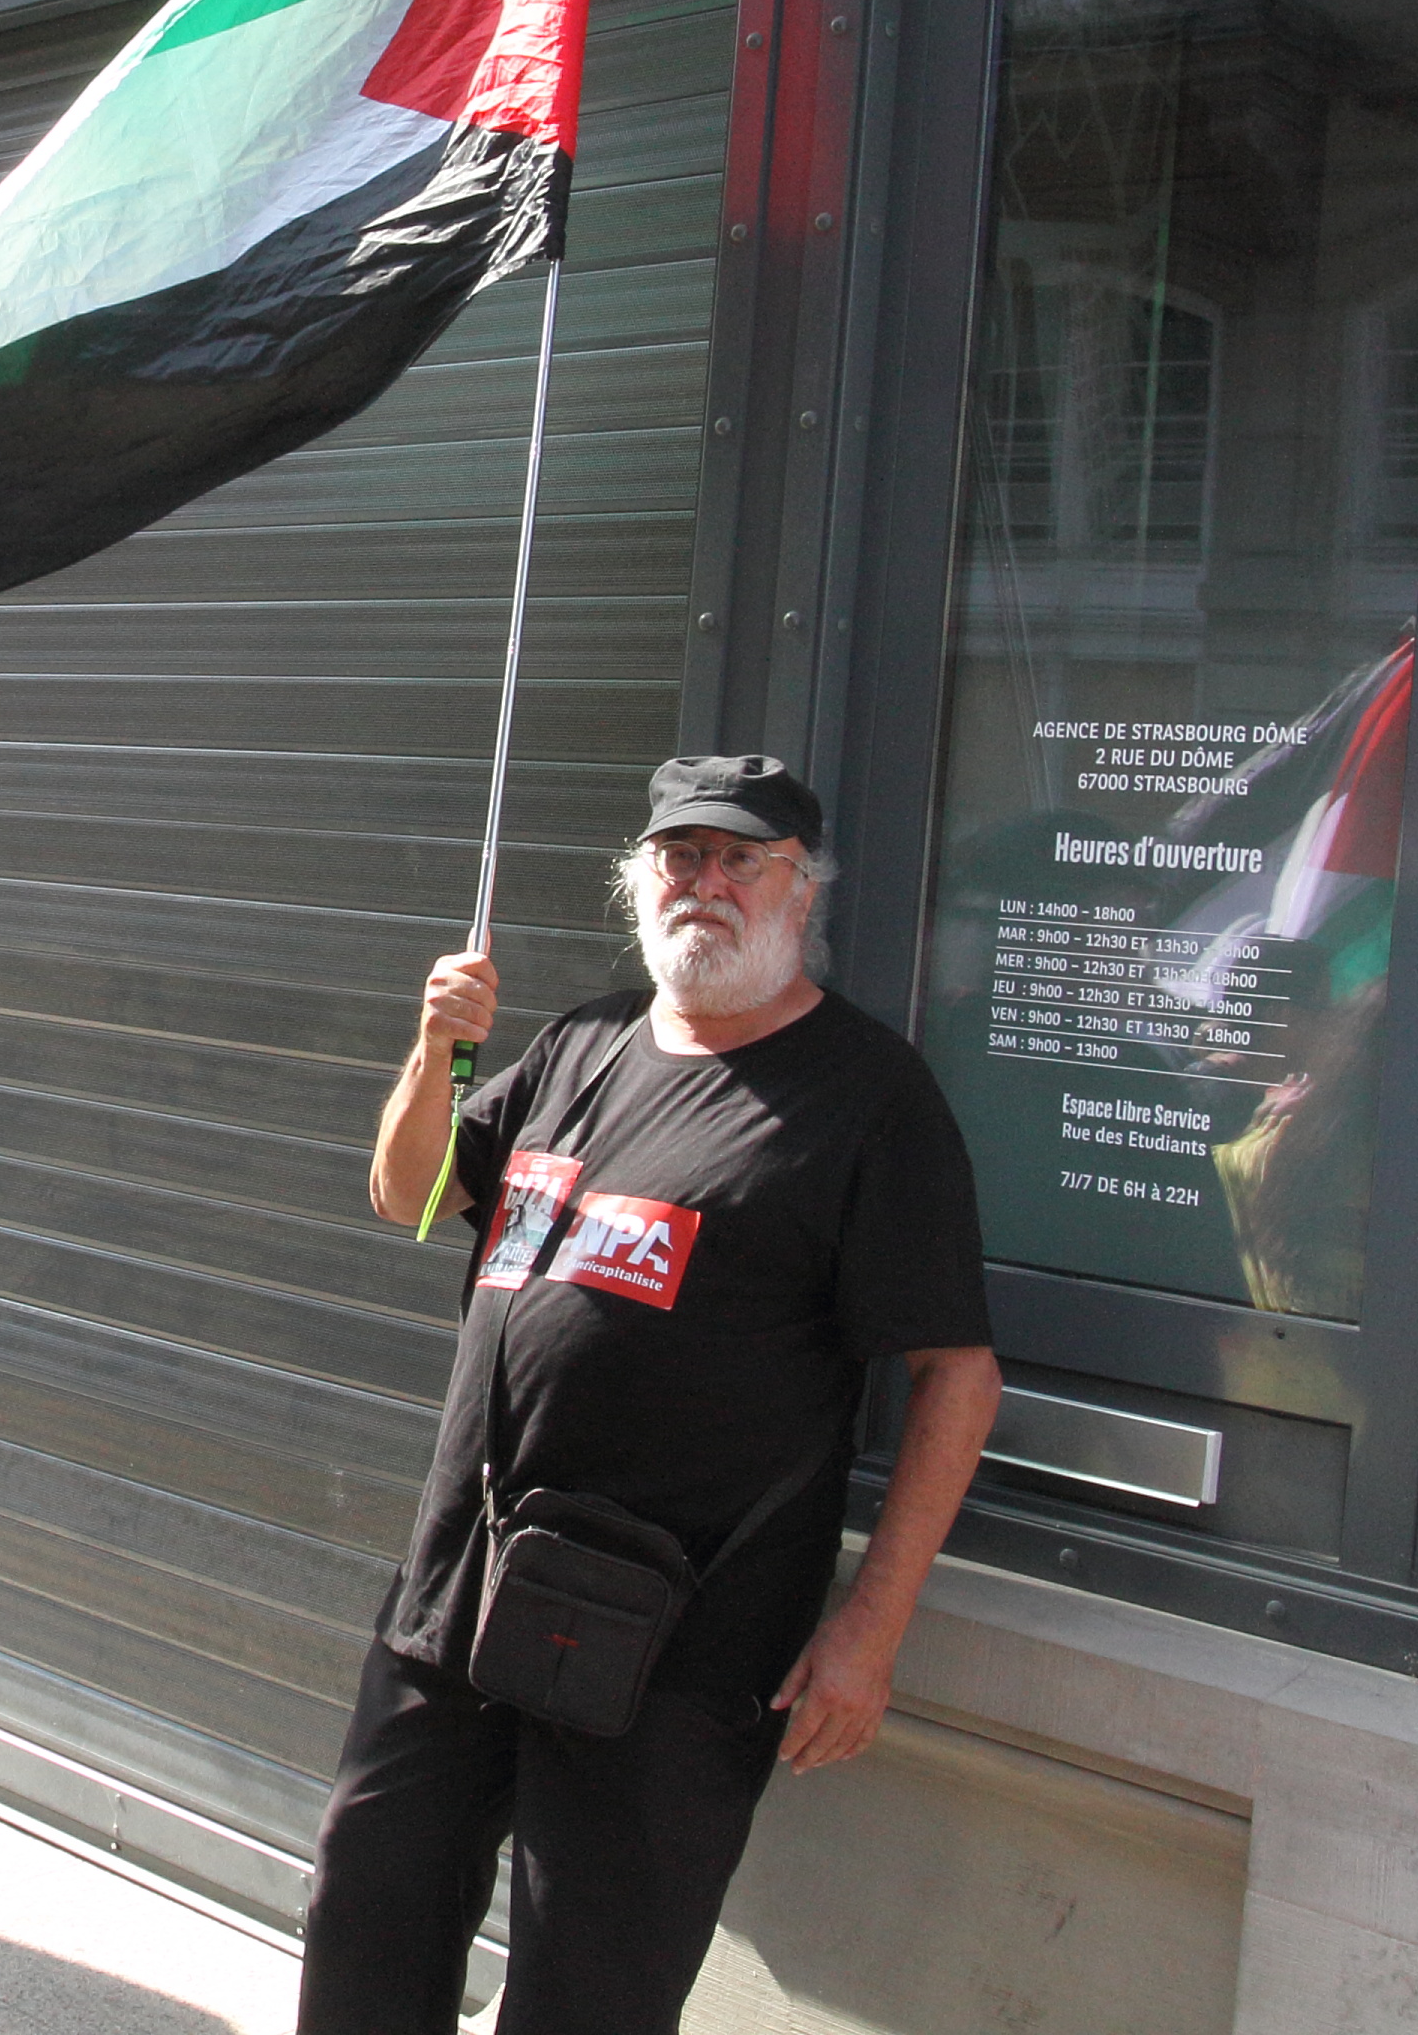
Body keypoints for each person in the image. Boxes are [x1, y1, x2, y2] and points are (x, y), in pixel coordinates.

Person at [294, 755, 1003, 2035]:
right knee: (367, 1922)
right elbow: (411, 1195)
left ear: (802, 889)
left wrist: (871, 1627)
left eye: (743, 860)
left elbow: (957, 1374)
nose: (705, 884)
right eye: (681, 856)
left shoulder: (868, 1099)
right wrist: (438, 1048)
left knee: (589, 1997)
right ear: (641, 879)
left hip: (676, 1646)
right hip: (463, 1584)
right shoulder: (585, 1040)